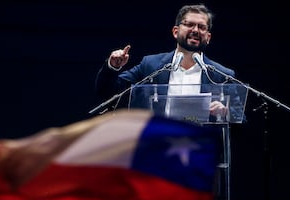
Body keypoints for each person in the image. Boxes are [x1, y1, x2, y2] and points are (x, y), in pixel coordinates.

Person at [94, 4, 241, 122]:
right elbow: (107, 91)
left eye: (201, 27)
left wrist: (225, 112)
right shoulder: (151, 65)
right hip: (156, 148)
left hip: (200, 150)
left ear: (208, 37)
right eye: (189, 24)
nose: (195, 30)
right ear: (175, 31)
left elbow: (241, 119)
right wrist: (113, 67)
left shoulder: (222, 75)